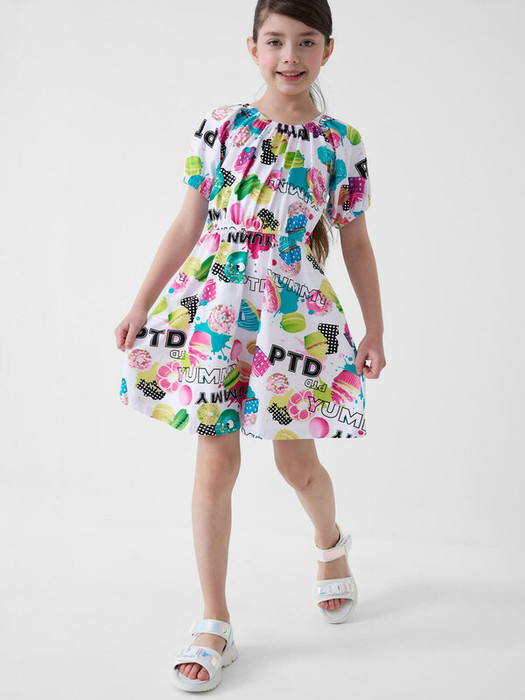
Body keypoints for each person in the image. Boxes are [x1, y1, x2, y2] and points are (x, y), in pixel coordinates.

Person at [115, 0, 386, 692]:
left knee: (297, 467)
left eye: (306, 41)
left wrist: (375, 329)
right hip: (216, 312)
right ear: (252, 47)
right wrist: (141, 301)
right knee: (215, 463)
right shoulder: (223, 125)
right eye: (275, 41)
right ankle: (215, 621)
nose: (289, 56)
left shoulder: (341, 142)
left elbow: (355, 241)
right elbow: (188, 221)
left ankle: (330, 543)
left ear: (328, 50)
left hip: (292, 319)